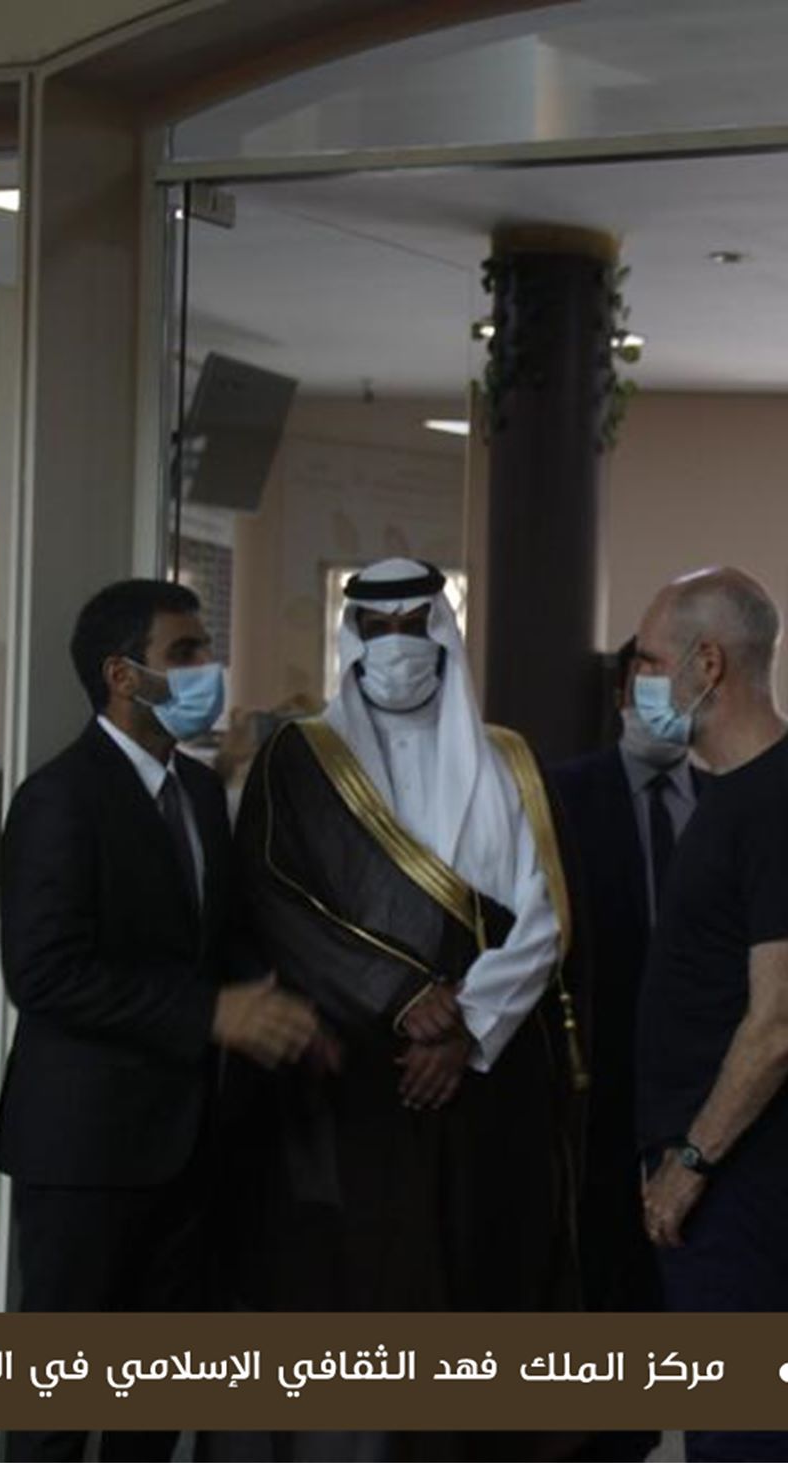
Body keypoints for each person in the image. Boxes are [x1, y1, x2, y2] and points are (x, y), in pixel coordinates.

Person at [228, 558, 586, 1460]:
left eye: (412, 624)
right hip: (358, 1078)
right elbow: (275, 899)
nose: (396, 646)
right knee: (371, 1295)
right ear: (351, 634)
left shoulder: (508, 758)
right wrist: (398, 995)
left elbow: (546, 912)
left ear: (443, 629)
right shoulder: (300, 758)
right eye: (377, 628)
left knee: (485, 1275)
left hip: (487, 1075)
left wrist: (469, 1022)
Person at [0, 579, 320, 1463]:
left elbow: (222, 935)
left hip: (188, 1145)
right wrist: (212, 1011)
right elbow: (45, 972)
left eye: (205, 648)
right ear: (122, 675)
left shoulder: (201, 792)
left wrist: (282, 1004)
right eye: (185, 652)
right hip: (85, 1151)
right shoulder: (59, 797)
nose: (208, 668)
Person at [630, 568, 788, 1463]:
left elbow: (782, 1020)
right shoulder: (734, 792)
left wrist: (692, 1160)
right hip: (723, 1181)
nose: (640, 683)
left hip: (751, 1185)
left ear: (709, 663)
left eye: (651, 662)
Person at [550, 636, 704, 1463]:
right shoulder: (561, 793)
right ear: (621, 689)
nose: (668, 690)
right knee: (594, 1272)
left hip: (699, 1091)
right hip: (590, 1082)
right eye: (652, 671)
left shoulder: (725, 797)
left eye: (686, 673)